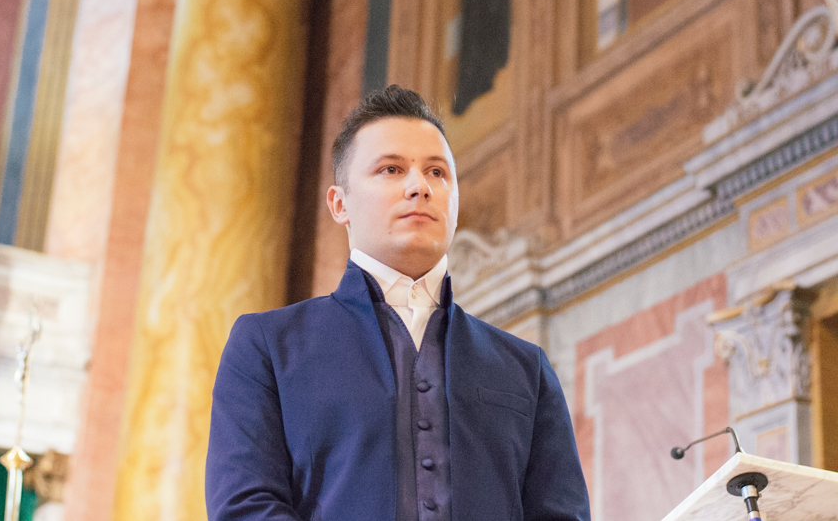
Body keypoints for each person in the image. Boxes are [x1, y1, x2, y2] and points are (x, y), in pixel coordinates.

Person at [206, 85, 590, 520]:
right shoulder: (267, 346)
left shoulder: (527, 369)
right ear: (339, 203)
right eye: (391, 169)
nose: (418, 187)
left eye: (437, 173)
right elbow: (246, 507)